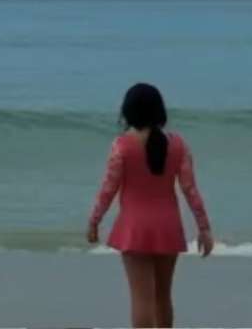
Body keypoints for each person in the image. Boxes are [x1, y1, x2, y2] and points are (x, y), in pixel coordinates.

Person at [88, 83, 213, 328]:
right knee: (163, 298)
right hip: (168, 227)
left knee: (141, 300)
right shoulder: (178, 144)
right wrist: (204, 228)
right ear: (160, 111)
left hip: (134, 229)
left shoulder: (122, 145)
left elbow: (108, 190)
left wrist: (94, 221)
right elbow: (190, 190)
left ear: (128, 112)